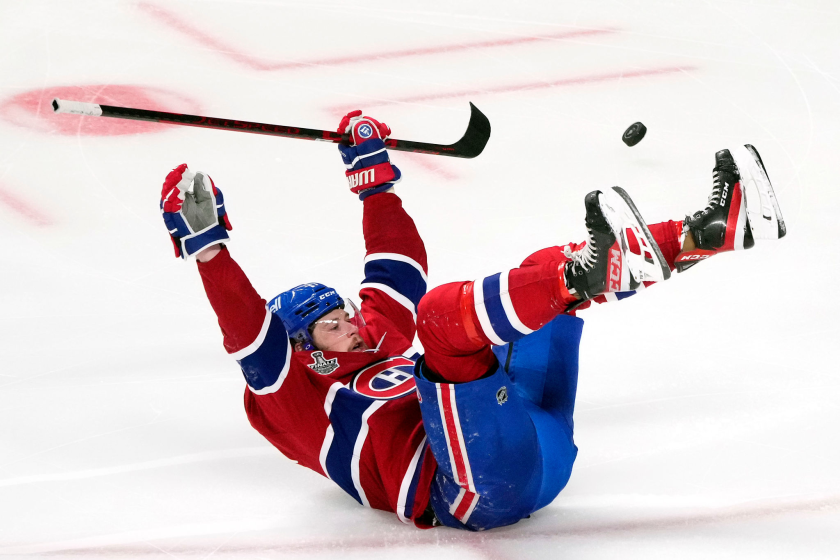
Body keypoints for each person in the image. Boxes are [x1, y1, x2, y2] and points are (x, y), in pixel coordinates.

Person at [159, 111, 785, 531]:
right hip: (473, 489)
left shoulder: (379, 339)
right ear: (302, 347)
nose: (353, 323)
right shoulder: (293, 398)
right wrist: (211, 250)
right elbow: (249, 336)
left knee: (545, 272)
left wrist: (372, 181)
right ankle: (598, 271)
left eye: (346, 313)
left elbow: (395, 266)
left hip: (534, 438)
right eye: (332, 324)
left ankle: (714, 231)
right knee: (442, 320)